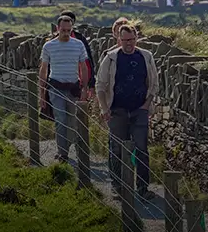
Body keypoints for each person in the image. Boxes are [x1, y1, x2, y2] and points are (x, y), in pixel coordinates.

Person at [97, 23, 159, 197]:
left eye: (131, 39)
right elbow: (100, 85)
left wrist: (146, 106)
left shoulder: (146, 57)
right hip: (117, 110)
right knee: (116, 148)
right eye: (125, 40)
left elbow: (154, 84)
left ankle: (142, 188)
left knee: (141, 149)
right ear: (119, 40)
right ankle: (118, 186)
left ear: (136, 38)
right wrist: (104, 108)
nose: (128, 44)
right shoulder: (110, 58)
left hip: (139, 109)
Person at [39, 14, 89, 163]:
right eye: (63, 30)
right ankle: (63, 153)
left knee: (72, 121)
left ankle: (66, 148)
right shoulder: (49, 46)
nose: (66, 33)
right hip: (55, 87)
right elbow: (43, 70)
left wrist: (84, 89)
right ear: (57, 29)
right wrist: (42, 94)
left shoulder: (78, 44)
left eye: (69, 30)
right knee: (60, 119)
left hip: (73, 87)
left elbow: (83, 67)